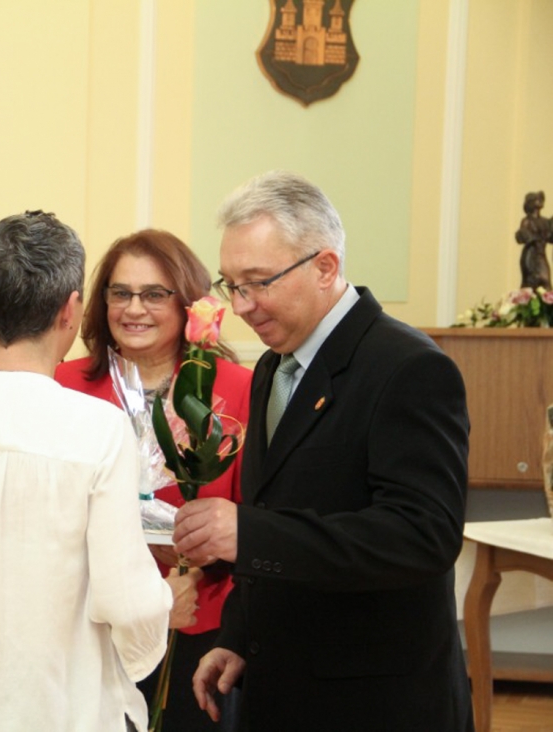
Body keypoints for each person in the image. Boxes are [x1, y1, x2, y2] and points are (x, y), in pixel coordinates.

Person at [0, 211, 197, 732]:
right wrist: (163, 608)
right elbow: (127, 601)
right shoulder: (98, 428)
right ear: (72, 309)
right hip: (65, 710)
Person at [174, 171, 473, 731]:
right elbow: (276, 507)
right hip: (283, 688)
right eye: (231, 285)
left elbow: (423, 535)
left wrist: (249, 534)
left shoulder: (409, 368)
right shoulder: (273, 366)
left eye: (258, 283)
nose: (241, 306)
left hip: (375, 703)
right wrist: (238, 635)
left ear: (325, 267)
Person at [54, 229, 251, 731]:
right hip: (90, 625)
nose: (134, 308)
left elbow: (254, 517)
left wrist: (197, 570)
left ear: (188, 303)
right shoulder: (64, 385)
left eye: (154, 294)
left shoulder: (238, 388)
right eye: (120, 293)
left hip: (197, 621)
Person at [515, 190, 552, 290]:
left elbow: (550, 237)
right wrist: (532, 237)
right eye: (537, 199)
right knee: (530, 283)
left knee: (546, 282)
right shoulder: (527, 221)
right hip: (531, 254)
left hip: (541, 255)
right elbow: (522, 236)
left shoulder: (545, 221)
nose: (540, 201)